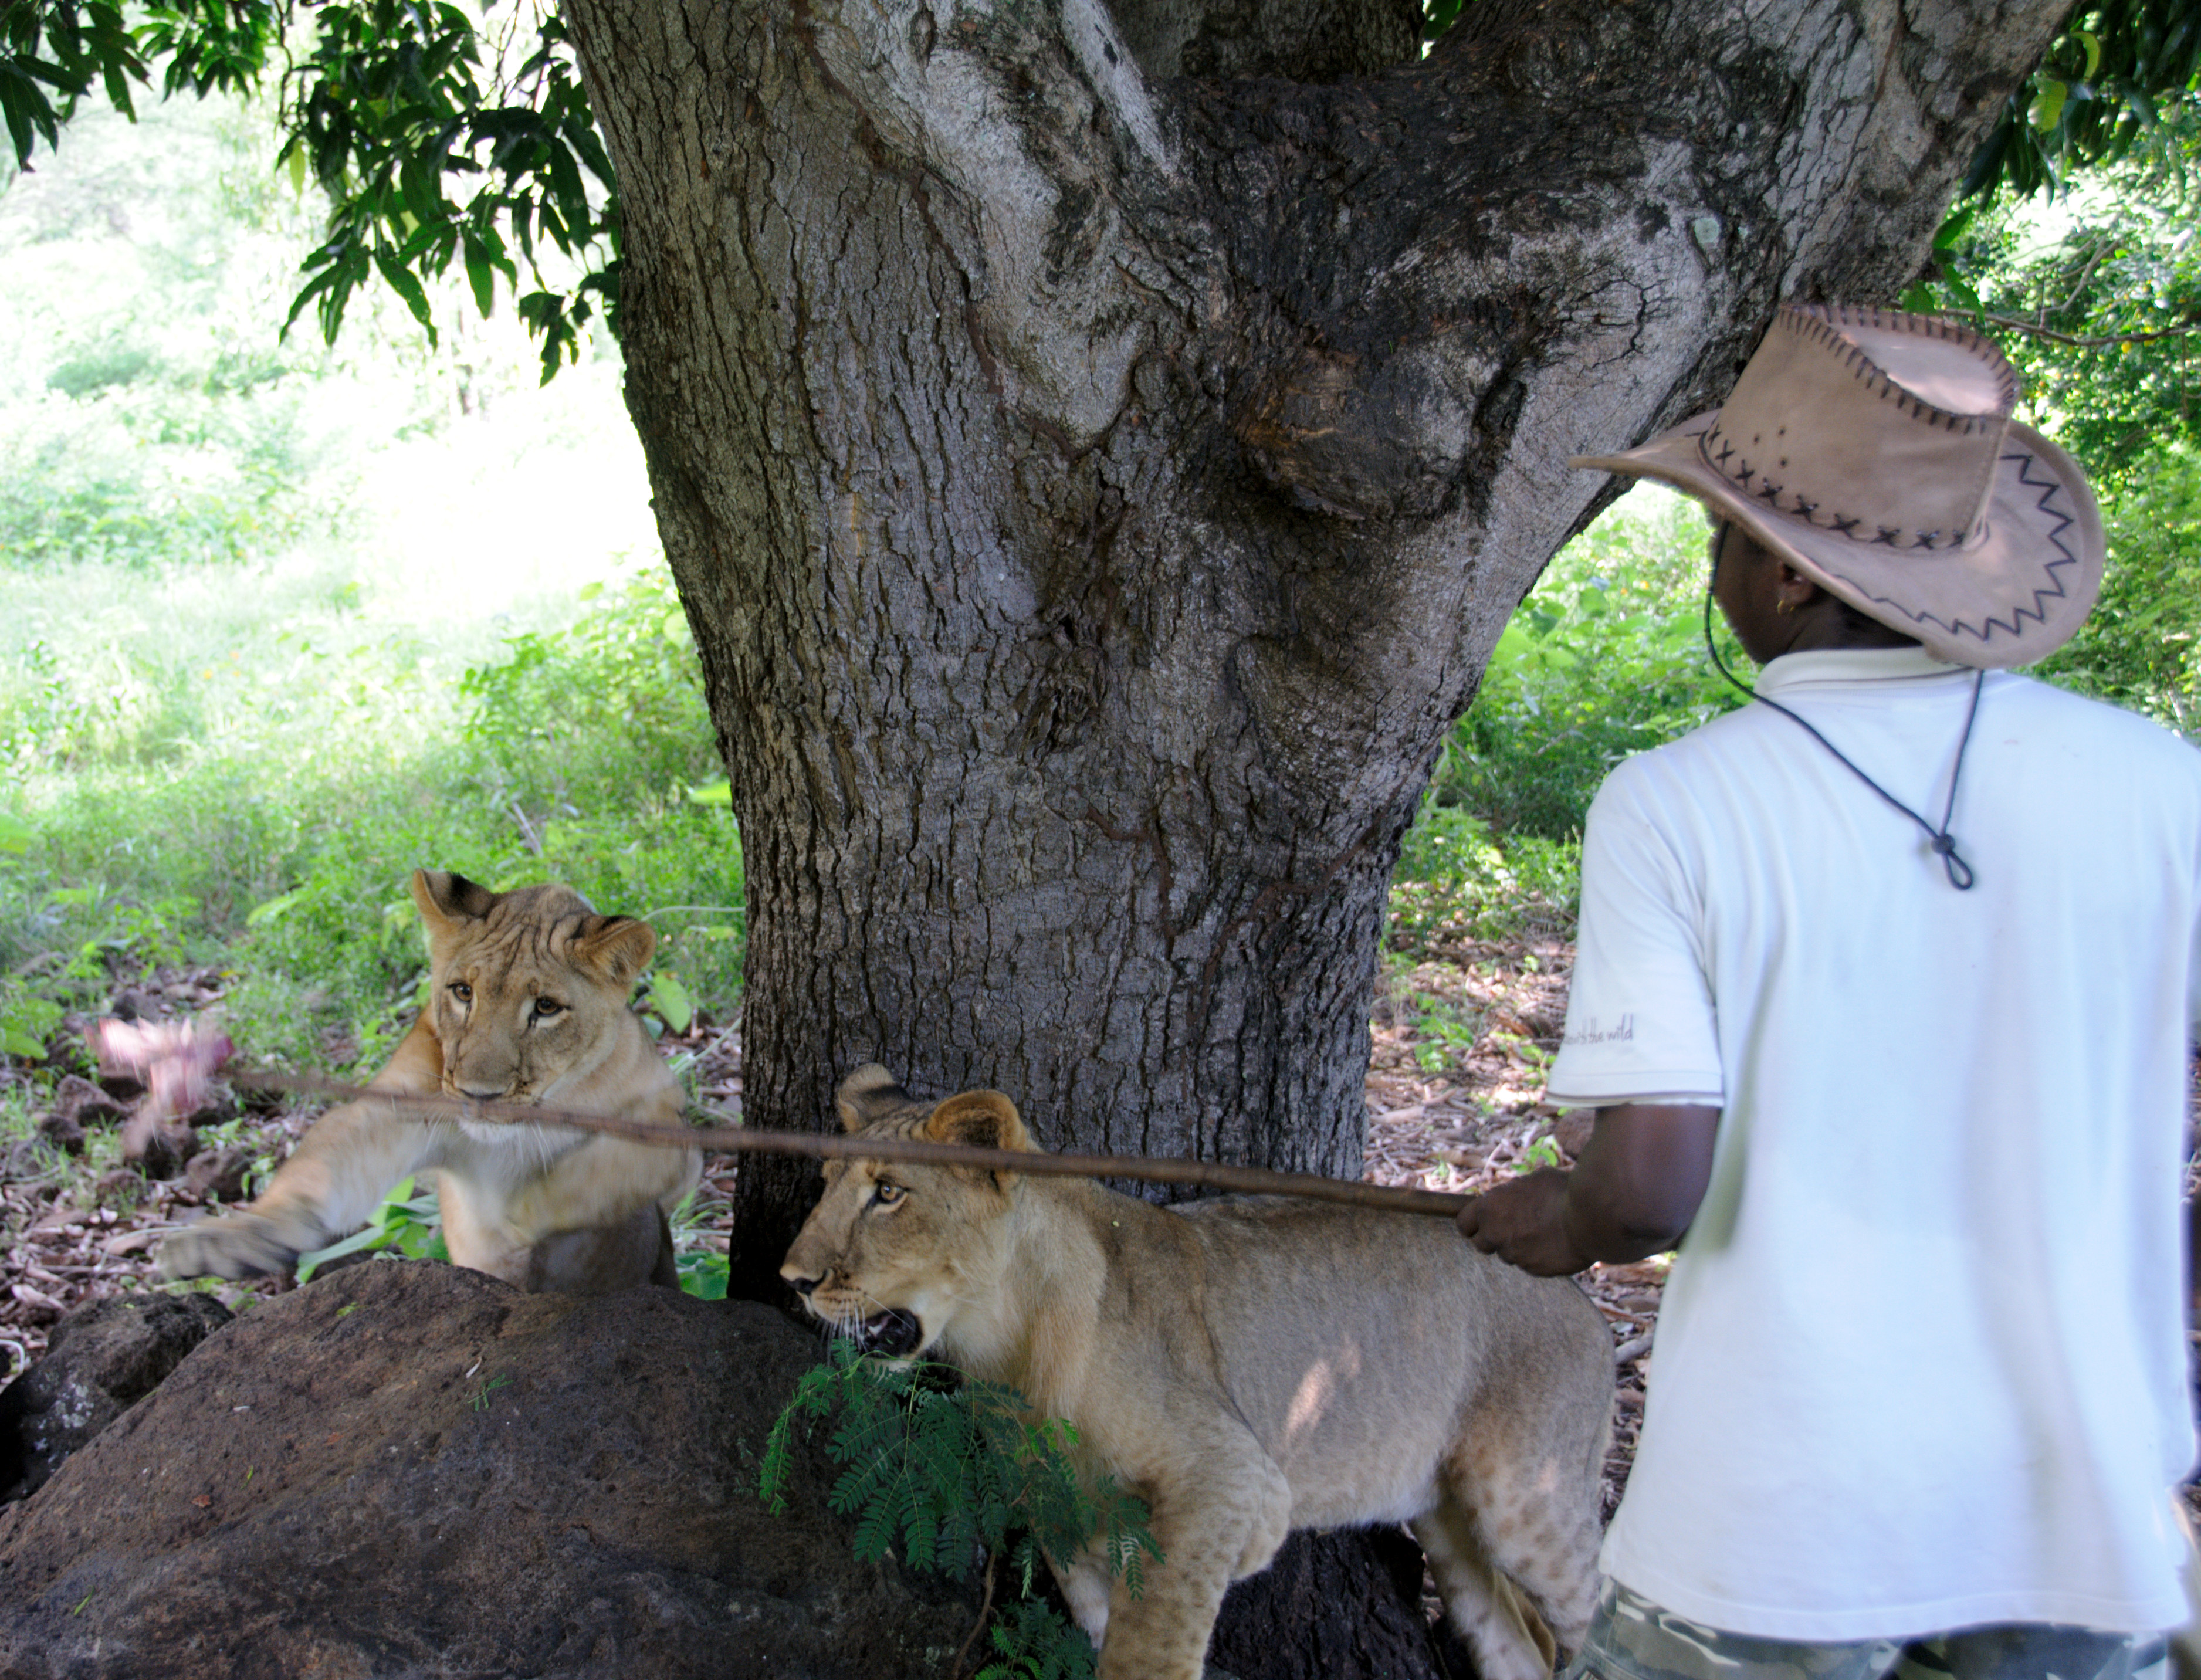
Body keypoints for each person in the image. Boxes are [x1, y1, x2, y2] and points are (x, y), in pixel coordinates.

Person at [1459, 302, 2199, 1680]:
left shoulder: (1677, 804)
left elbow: (1648, 1189)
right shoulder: (2164, 786)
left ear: (1788, 580)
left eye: (1723, 536)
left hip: (1778, 1508)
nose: (1714, 563)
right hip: (2079, 1491)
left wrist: (1555, 1220)